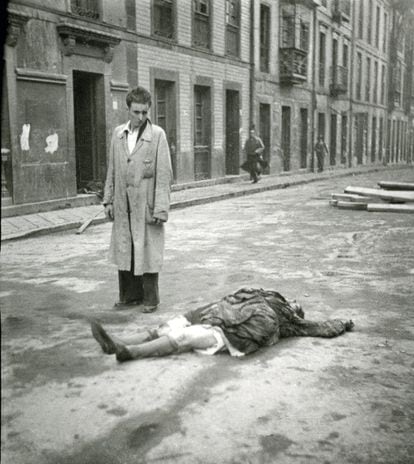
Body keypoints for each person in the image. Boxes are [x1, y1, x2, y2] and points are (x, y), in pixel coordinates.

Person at [90, 287, 354, 362]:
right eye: (294, 302)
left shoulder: (286, 321)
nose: (294, 303)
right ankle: (118, 342)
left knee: (185, 336)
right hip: (214, 315)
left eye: (297, 307)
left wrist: (343, 322)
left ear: (296, 313)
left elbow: (320, 327)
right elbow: (230, 299)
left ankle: (129, 352)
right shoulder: (264, 295)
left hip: (227, 334)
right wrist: (207, 311)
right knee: (169, 325)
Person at [103, 86, 172, 313]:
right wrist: (109, 200)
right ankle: (129, 296)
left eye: (145, 112)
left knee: (148, 249)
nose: (141, 117)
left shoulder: (157, 135)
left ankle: (150, 299)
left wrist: (161, 209)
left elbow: (164, 175)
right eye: (136, 112)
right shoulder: (118, 134)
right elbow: (112, 169)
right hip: (124, 202)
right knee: (126, 247)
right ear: (128, 110)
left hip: (146, 203)